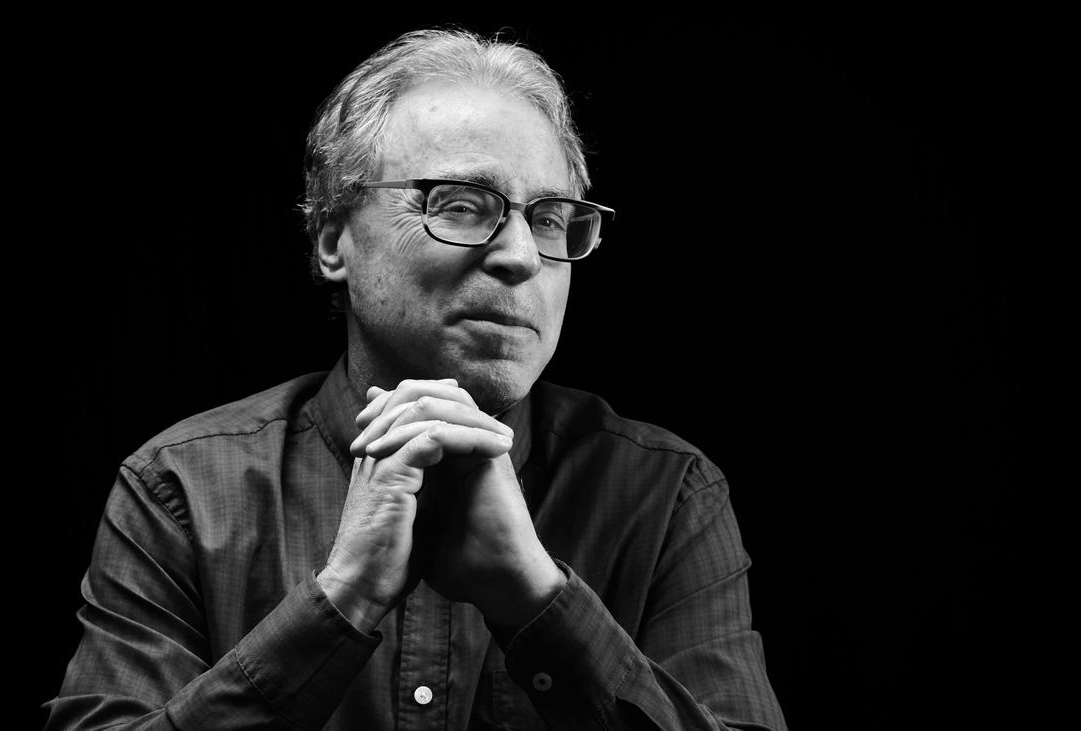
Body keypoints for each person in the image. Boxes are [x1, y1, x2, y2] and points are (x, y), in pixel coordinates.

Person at [45, 28, 786, 731]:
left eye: (550, 218)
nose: (522, 257)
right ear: (333, 240)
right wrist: (342, 597)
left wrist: (537, 598)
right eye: (459, 205)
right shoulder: (179, 490)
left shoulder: (667, 495)